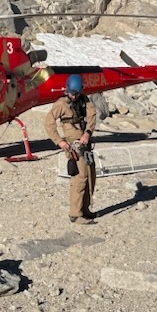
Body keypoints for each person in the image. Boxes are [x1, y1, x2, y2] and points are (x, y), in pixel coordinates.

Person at [44, 74, 96, 224]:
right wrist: (60, 141)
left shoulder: (84, 100)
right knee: (80, 178)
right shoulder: (61, 104)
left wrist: (88, 132)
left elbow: (92, 115)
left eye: (76, 93)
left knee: (90, 175)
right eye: (72, 93)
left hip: (85, 142)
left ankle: (85, 209)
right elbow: (48, 123)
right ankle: (75, 213)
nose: (74, 97)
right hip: (73, 145)